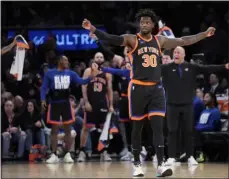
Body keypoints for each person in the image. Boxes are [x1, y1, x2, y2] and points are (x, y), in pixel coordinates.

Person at [82, 8, 216, 177]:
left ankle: (160, 165)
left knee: (158, 127)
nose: (144, 24)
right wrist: (93, 29)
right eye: (142, 22)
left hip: (156, 88)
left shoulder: (160, 41)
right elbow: (113, 39)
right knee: (137, 127)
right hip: (138, 87)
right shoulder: (132, 39)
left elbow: (184, 40)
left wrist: (204, 34)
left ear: (153, 25)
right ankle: (137, 163)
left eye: (147, 22)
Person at [162, 46, 229, 167]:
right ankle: (171, 157)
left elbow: (207, 68)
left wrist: (223, 66)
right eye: (174, 52)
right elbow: (150, 69)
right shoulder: (166, 68)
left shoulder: (191, 67)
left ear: (184, 54)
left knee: (188, 131)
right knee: (172, 131)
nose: (176, 54)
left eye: (178, 52)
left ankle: (190, 156)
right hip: (172, 104)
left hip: (187, 104)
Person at [40, 55, 97, 164]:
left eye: (67, 60)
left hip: (66, 104)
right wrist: (43, 100)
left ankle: (67, 154)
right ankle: (54, 154)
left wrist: (91, 77)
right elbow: (43, 88)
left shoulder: (71, 73)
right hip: (54, 103)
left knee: (68, 130)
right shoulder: (50, 73)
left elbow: (82, 82)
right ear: (59, 61)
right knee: (54, 130)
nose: (67, 62)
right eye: (64, 60)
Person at [77, 52, 114, 162]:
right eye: (97, 56)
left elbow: (110, 90)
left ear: (103, 59)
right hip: (91, 102)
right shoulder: (88, 71)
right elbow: (83, 87)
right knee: (86, 127)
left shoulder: (107, 73)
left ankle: (104, 151)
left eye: (101, 57)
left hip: (102, 102)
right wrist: (86, 102)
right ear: (94, 59)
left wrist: (111, 105)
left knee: (104, 129)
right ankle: (82, 151)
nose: (99, 58)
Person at [195, 92, 221, 162]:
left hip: (210, 135)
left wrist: (197, 128)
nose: (204, 99)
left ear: (212, 99)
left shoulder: (215, 111)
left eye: (207, 97)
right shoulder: (204, 111)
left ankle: (200, 154)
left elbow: (211, 126)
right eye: (204, 97)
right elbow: (199, 123)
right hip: (200, 132)